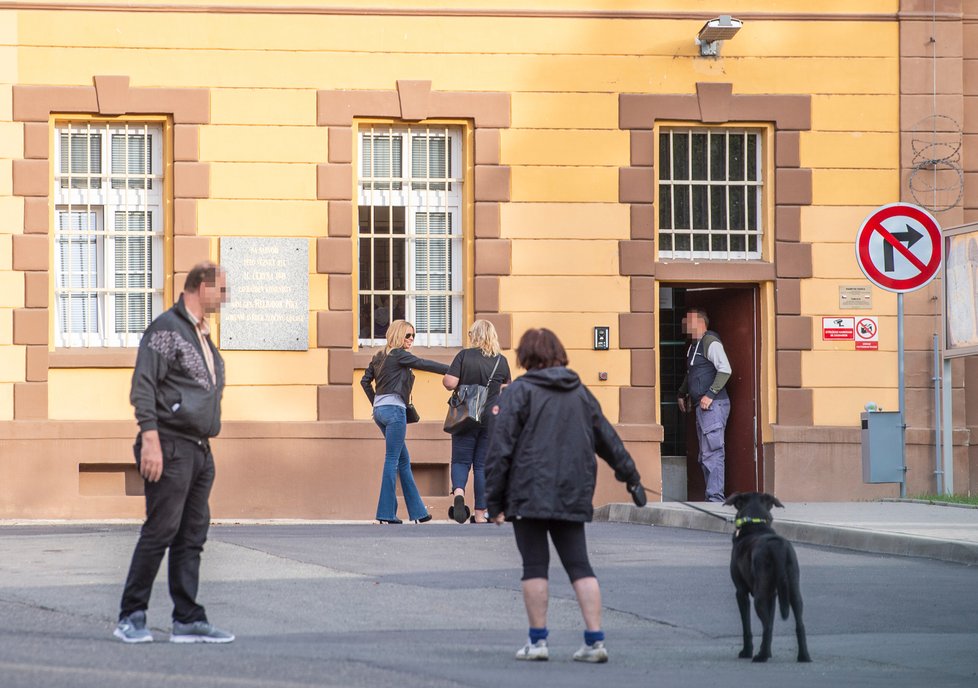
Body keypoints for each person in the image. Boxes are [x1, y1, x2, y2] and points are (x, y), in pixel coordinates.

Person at [485, 328, 647, 664]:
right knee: (579, 564)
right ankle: (594, 640)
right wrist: (631, 478)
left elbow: (500, 450)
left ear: (525, 357)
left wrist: (494, 502)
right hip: (573, 490)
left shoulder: (518, 392)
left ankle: (538, 642)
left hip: (528, 492)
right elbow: (608, 439)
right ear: (559, 353)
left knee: (534, 566)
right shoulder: (580, 393)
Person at [115, 261, 233, 644]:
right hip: (168, 442)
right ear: (201, 286)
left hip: (199, 448)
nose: (226, 297)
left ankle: (187, 618)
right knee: (161, 529)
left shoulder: (201, 334)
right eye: (222, 289)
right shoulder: (167, 328)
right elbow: (143, 385)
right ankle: (131, 616)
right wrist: (150, 438)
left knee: (192, 534)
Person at [361, 320, 449, 524]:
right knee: (392, 460)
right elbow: (423, 363)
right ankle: (385, 514)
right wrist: (452, 370)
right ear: (398, 335)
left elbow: (365, 381)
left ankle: (418, 513)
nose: (411, 340)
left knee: (402, 460)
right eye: (408, 335)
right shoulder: (398, 355)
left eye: (413, 336)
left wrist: (376, 403)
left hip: (380, 412)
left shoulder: (379, 356)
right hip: (394, 412)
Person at [442, 319, 512, 524]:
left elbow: (450, 383)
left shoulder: (464, 355)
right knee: (482, 466)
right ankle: (480, 514)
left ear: (475, 335)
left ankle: (459, 494)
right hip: (491, 419)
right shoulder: (501, 361)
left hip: (465, 416)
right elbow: (507, 391)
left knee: (461, 460)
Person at [678, 307, 732, 503]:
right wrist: (681, 393)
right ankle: (712, 496)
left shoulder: (710, 341)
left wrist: (710, 394)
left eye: (688, 321)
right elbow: (692, 374)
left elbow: (725, 369)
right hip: (703, 407)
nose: (684, 325)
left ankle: (716, 499)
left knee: (713, 452)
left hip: (713, 406)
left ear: (700, 322)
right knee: (705, 455)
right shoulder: (693, 346)